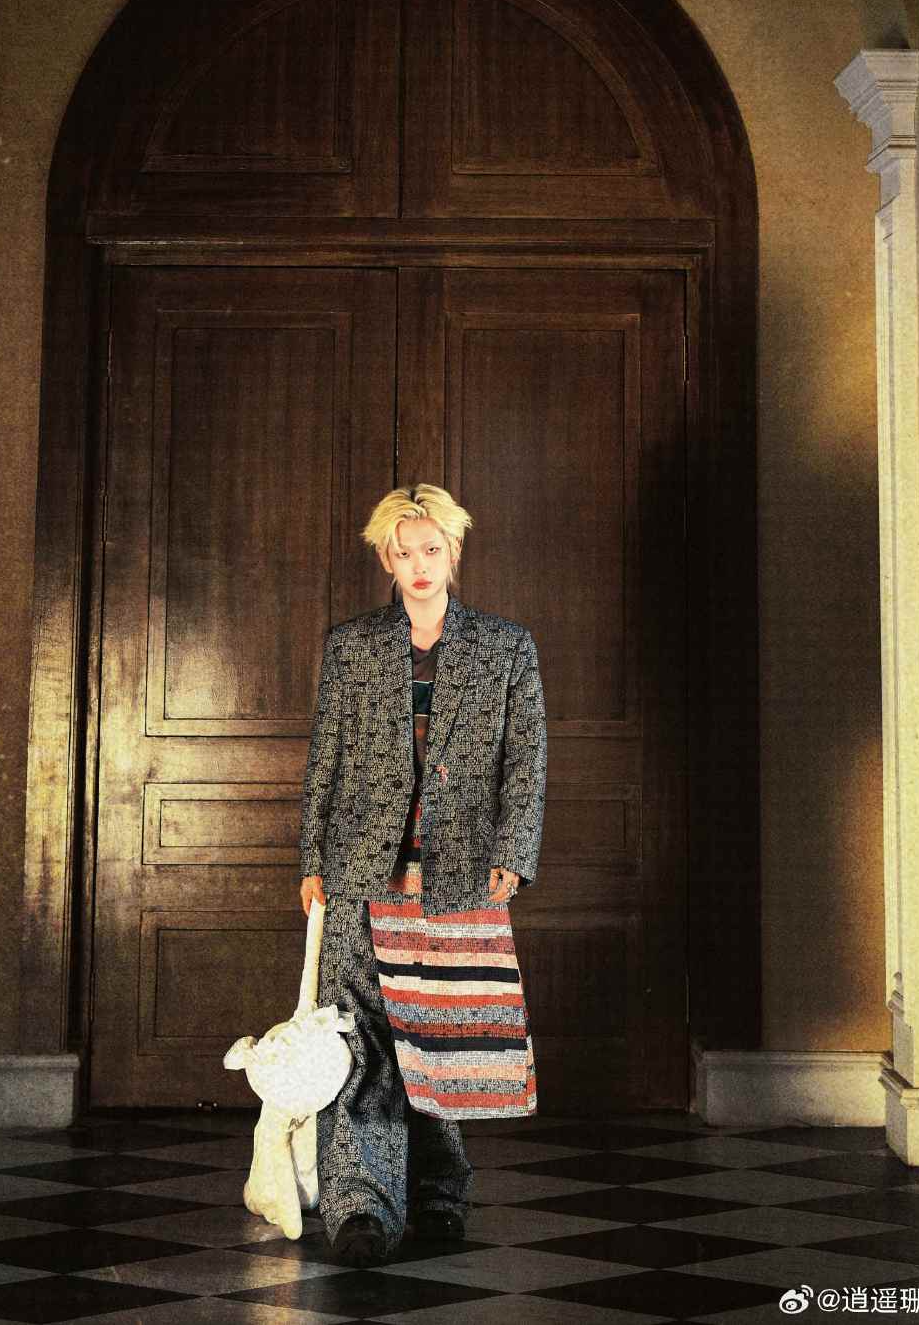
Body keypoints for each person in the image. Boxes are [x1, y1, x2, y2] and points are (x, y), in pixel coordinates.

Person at [299, 483, 547, 1265]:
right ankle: (360, 1210)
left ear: (454, 552)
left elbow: (526, 761)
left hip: (459, 873)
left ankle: (439, 1197)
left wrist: (515, 851)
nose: (419, 565)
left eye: (431, 550)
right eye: (403, 553)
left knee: (438, 1042)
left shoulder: (506, 647)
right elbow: (325, 758)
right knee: (359, 1044)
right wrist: (312, 859)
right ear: (386, 558)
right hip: (361, 872)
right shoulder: (351, 645)